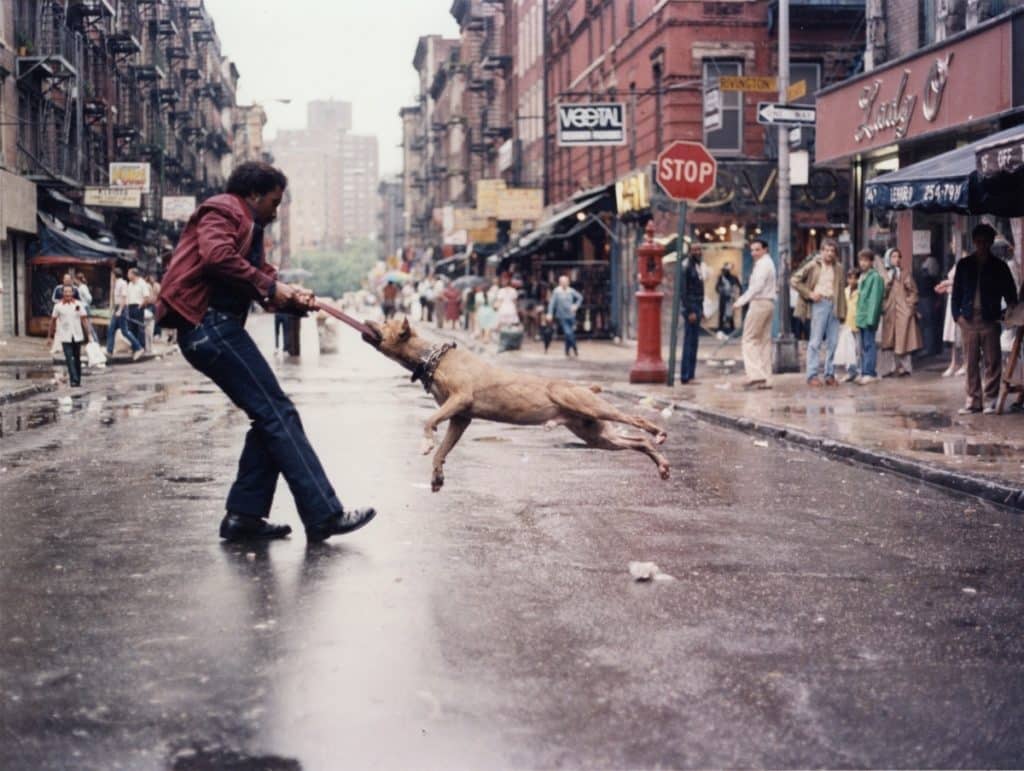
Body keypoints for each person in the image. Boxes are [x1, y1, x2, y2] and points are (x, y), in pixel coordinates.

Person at [156, 160, 376, 543]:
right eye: (274, 202)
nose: (276, 212)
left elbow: (256, 278)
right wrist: (274, 290)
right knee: (278, 413)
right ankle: (324, 514)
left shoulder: (249, 227)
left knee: (270, 417)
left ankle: (243, 517)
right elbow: (217, 258)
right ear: (253, 194)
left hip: (214, 328)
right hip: (208, 326)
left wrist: (292, 298)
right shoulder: (224, 209)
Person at [951, 223, 1018, 414]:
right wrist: (957, 316)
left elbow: (1010, 291)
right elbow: (956, 292)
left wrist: (1008, 314)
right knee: (970, 362)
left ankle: (990, 400)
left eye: (985, 242)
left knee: (992, 361)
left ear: (990, 243)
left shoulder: (999, 266)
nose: (981, 245)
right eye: (978, 241)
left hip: (990, 319)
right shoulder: (964, 265)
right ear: (974, 242)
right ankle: (973, 400)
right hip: (968, 319)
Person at [791, 238, 846, 387]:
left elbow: (841, 291)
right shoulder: (813, 265)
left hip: (834, 305)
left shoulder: (839, 268)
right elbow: (794, 280)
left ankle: (829, 374)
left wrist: (842, 311)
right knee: (815, 342)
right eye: (826, 250)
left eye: (832, 251)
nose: (829, 253)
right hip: (819, 304)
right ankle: (812, 375)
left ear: (835, 253)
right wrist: (810, 294)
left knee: (833, 342)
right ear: (821, 251)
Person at [734, 238, 776, 389]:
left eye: (757, 249)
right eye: (752, 250)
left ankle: (756, 375)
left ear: (765, 250)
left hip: (759, 303)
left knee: (749, 339)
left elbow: (756, 287)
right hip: (768, 303)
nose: (753, 253)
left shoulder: (763, 265)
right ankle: (766, 378)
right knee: (763, 341)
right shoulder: (768, 263)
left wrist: (741, 301)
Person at [879, 248, 922, 377]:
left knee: (904, 339)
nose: (896, 259)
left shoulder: (904, 273)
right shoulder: (884, 274)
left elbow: (913, 291)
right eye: (893, 256)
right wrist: (888, 281)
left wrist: (909, 306)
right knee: (889, 340)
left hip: (903, 311)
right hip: (889, 310)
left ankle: (905, 367)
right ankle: (890, 368)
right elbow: (881, 293)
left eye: (898, 257)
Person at [47, 285, 88, 388]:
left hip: (77, 335)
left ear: (73, 293)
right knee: (69, 358)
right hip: (65, 336)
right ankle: (74, 380)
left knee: (77, 358)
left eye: (70, 292)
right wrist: (49, 337)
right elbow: (52, 321)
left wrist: (89, 334)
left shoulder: (78, 304)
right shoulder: (58, 306)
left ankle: (78, 379)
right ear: (62, 293)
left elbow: (84, 319)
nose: (68, 294)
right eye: (66, 292)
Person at [854, 249, 884, 385]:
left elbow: (875, 299)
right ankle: (864, 371)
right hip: (861, 316)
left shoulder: (875, 277)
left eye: (866, 260)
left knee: (869, 344)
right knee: (863, 346)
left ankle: (870, 372)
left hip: (868, 317)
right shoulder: (863, 276)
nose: (863, 263)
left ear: (871, 262)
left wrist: (872, 318)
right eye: (861, 260)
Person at [678, 243, 705, 384]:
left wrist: (702, 309)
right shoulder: (686, 266)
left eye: (699, 249)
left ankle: (691, 375)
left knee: (694, 342)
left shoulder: (697, 266)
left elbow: (700, 289)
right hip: (691, 306)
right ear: (689, 251)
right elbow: (683, 291)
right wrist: (690, 311)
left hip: (698, 305)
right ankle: (685, 375)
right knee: (689, 342)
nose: (698, 252)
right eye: (695, 250)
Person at [936, 256, 965, 377]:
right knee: (953, 333)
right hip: (952, 299)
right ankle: (954, 362)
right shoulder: (957, 260)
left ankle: (966, 363)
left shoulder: (966, 260)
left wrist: (946, 283)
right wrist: (946, 287)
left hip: (961, 300)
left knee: (962, 333)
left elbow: (963, 281)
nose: (952, 244)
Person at [106, 267, 143, 359]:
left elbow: (123, 297)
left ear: (114, 275)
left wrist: (119, 310)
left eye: (112, 275)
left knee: (124, 331)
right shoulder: (116, 284)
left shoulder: (122, 283)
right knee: (112, 330)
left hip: (122, 308)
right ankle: (109, 351)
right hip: (118, 307)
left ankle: (138, 347)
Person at [834, 269, 861, 382]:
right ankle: (851, 372)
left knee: (858, 349)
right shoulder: (845, 291)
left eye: (855, 278)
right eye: (850, 278)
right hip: (847, 324)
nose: (852, 280)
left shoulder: (861, 292)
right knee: (848, 350)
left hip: (858, 323)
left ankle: (859, 371)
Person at [547, 274, 583, 357]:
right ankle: (575, 348)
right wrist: (550, 313)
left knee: (570, 334)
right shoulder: (557, 291)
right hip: (562, 316)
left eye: (565, 282)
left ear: (568, 282)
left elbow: (580, 297)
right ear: (559, 283)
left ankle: (567, 350)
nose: (564, 283)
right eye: (562, 282)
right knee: (568, 333)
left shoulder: (571, 291)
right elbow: (552, 303)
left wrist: (576, 306)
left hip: (571, 315)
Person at [125, 268, 150, 353]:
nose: (128, 276)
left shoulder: (142, 283)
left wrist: (140, 307)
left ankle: (142, 346)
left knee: (140, 328)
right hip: (130, 307)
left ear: (134, 274)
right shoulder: (129, 284)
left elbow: (146, 297)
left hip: (138, 306)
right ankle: (135, 347)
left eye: (129, 274)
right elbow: (127, 297)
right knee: (131, 328)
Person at [716, 262, 741, 334]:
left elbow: (739, 286)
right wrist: (721, 291)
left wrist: (738, 294)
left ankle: (732, 330)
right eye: (724, 270)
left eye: (726, 270)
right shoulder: (721, 277)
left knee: (730, 314)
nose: (725, 271)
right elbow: (717, 287)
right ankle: (720, 330)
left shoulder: (734, 277)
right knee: (721, 314)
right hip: (723, 298)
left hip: (730, 298)